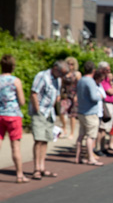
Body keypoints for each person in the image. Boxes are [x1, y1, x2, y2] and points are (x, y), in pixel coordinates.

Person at [29, 60, 69, 180]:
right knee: (39, 139)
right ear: (55, 68)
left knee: (45, 139)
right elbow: (34, 93)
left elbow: (56, 94)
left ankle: (42, 167)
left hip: (49, 113)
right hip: (40, 112)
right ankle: (36, 168)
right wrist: (38, 110)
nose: (62, 76)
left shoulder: (58, 79)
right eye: (62, 73)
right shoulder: (42, 76)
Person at [0, 54, 29, 183]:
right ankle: (19, 175)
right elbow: (22, 101)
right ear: (12, 66)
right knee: (15, 147)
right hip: (13, 115)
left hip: (0, 114)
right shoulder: (15, 81)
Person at [75, 61, 104, 166]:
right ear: (93, 70)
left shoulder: (81, 80)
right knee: (91, 136)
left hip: (81, 111)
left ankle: (77, 157)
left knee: (81, 136)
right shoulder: (90, 81)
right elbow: (93, 97)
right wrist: (99, 97)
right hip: (90, 112)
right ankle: (91, 157)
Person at [59, 56, 81, 139]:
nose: (70, 65)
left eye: (72, 64)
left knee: (72, 115)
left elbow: (80, 86)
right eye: (68, 64)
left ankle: (72, 133)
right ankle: (64, 129)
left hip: (74, 95)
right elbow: (61, 85)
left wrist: (77, 95)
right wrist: (60, 94)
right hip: (65, 95)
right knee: (62, 112)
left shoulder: (77, 74)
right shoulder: (64, 74)